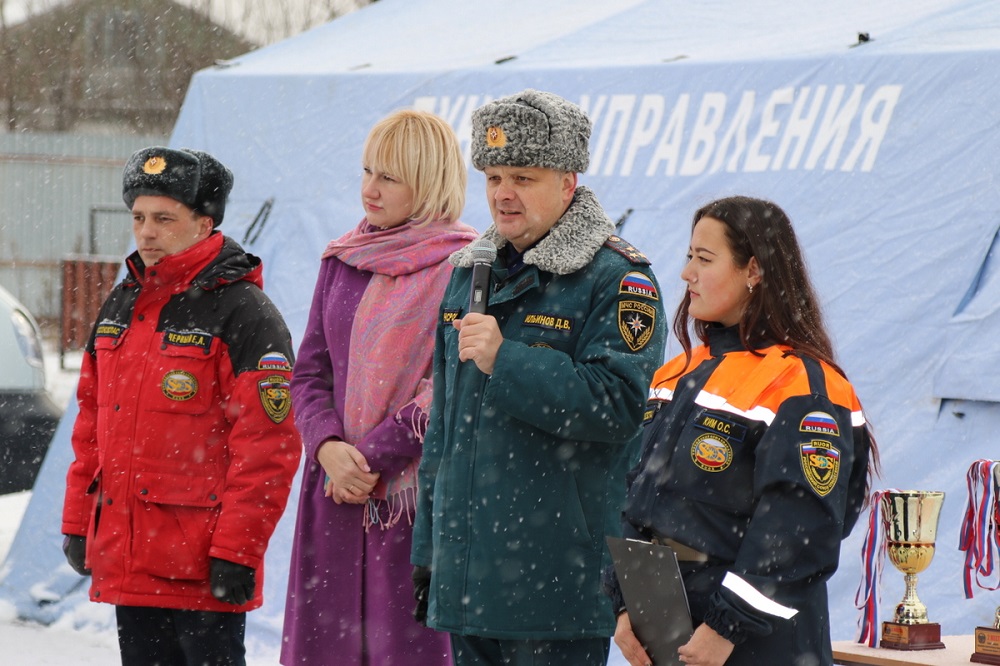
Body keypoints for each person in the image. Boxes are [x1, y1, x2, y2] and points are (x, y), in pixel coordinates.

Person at [410, 89, 667, 666]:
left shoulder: (618, 280)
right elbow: (445, 432)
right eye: (494, 175)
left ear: (568, 183)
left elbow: (620, 406)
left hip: (557, 582)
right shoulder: (470, 272)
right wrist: (430, 551)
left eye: (523, 177)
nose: (503, 193)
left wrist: (509, 360)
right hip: (469, 580)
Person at [608, 196, 879, 666]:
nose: (686, 273)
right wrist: (623, 601)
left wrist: (726, 626)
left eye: (704, 259)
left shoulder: (804, 386)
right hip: (668, 623)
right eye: (689, 255)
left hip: (756, 641)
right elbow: (636, 496)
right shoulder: (676, 374)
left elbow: (801, 529)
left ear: (754, 270)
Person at [61, 146, 302, 666]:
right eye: (139, 217)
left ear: (204, 222)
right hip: (129, 559)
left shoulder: (244, 312)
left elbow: (269, 446)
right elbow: (91, 428)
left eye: (164, 219)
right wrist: (79, 521)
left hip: (202, 565)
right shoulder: (121, 303)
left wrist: (237, 550)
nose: (146, 232)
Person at [280, 109, 478, 666]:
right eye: (367, 171)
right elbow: (310, 371)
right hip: (335, 492)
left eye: (388, 176)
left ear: (429, 179)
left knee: (408, 651)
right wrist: (326, 447)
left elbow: (452, 387)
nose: (370, 188)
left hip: (414, 505)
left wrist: (368, 459)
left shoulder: (469, 267)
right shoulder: (343, 260)